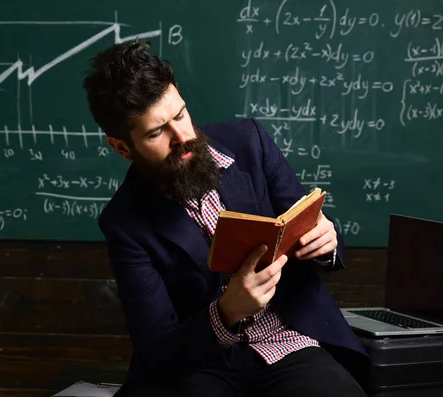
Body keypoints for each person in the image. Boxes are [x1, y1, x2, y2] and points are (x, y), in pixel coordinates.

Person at [83, 40, 370, 397]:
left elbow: (310, 224)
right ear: (122, 147)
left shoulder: (250, 141)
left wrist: (326, 239)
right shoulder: (124, 221)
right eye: (157, 132)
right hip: (206, 361)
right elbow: (157, 349)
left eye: (181, 115)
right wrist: (226, 312)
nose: (183, 137)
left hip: (289, 337)